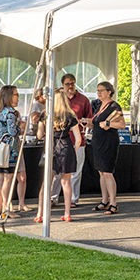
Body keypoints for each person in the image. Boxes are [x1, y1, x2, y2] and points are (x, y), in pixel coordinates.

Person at [34, 88, 81, 222]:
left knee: (46, 183)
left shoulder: (45, 114)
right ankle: (67, 213)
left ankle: (39, 213)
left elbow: (39, 135)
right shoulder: (70, 115)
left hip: (51, 147)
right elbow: (78, 139)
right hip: (66, 148)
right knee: (66, 182)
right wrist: (72, 151)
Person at [50, 73, 92, 207]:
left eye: (73, 83)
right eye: (68, 83)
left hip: (77, 140)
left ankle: (73, 199)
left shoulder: (83, 100)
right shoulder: (57, 99)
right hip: (58, 142)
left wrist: (85, 122)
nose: (70, 86)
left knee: (75, 172)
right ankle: (52, 198)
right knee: (56, 173)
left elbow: (91, 120)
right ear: (62, 85)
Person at [0, 85, 29, 220]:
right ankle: (6, 209)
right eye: (15, 94)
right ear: (9, 96)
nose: (17, 97)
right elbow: (12, 131)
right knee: (7, 179)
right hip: (9, 149)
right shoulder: (11, 113)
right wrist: (21, 128)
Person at [89, 81, 125, 215]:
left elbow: (122, 124)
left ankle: (113, 203)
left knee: (108, 172)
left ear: (109, 91)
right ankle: (104, 200)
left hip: (109, 142)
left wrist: (109, 123)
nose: (99, 93)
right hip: (97, 140)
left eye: (101, 90)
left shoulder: (114, 106)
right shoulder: (97, 105)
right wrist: (89, 123)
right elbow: (96, 124)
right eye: (97, 90)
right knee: (101, 172)